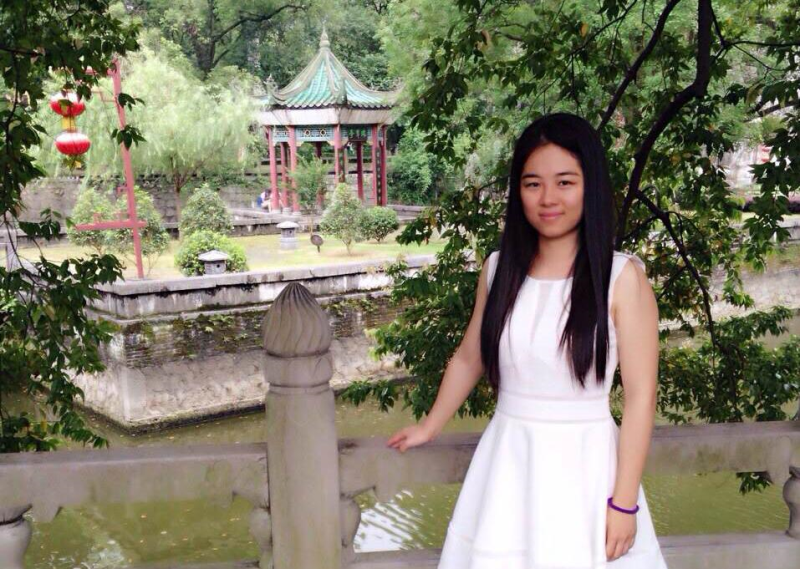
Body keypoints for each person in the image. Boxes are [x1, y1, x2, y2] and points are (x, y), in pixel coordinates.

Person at [386, 112, 668, 568]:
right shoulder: (499, 269)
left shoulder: (621, 278)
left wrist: (624, 503)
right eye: (533, 183)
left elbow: (640, 396)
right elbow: (469, 358)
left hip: (587, 469)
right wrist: (429, 425)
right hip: (508, 463)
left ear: (591, 186)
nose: (548, 198)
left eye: (565, 182)